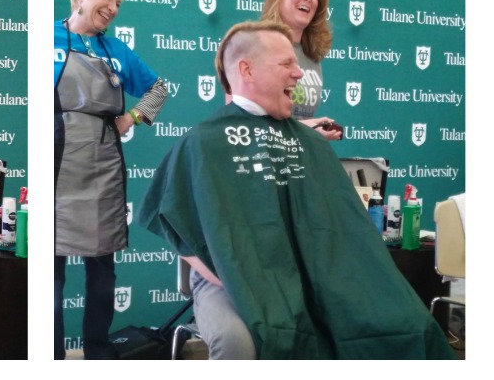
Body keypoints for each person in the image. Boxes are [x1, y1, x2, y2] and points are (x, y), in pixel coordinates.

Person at [136, 20, 454, 359]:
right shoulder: (202, 143)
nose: (299, 74)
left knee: (406, 325)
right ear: (248, 69)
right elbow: (173, 224)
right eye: (286, 64)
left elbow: (338, 230)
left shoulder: (310, 143)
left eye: (297, 64)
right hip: (225, 280)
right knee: (238, 343)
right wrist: (236, 280)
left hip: (308, 274)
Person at [54, 0, 169, 360]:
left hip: (103, 163)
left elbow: (158, 89)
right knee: (51, 275)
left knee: (102, 273)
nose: (114, 7)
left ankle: (99, 357)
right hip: (57, 160)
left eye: (119, 2)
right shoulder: (48, 39)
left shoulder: (116, 50)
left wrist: (132, 118)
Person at [261, 0, 342, 141]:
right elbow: (247, 120)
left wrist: (315, 128)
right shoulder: (259, 46)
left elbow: (298, 122)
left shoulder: (311, 55)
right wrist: (308, 128)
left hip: (300, 156)